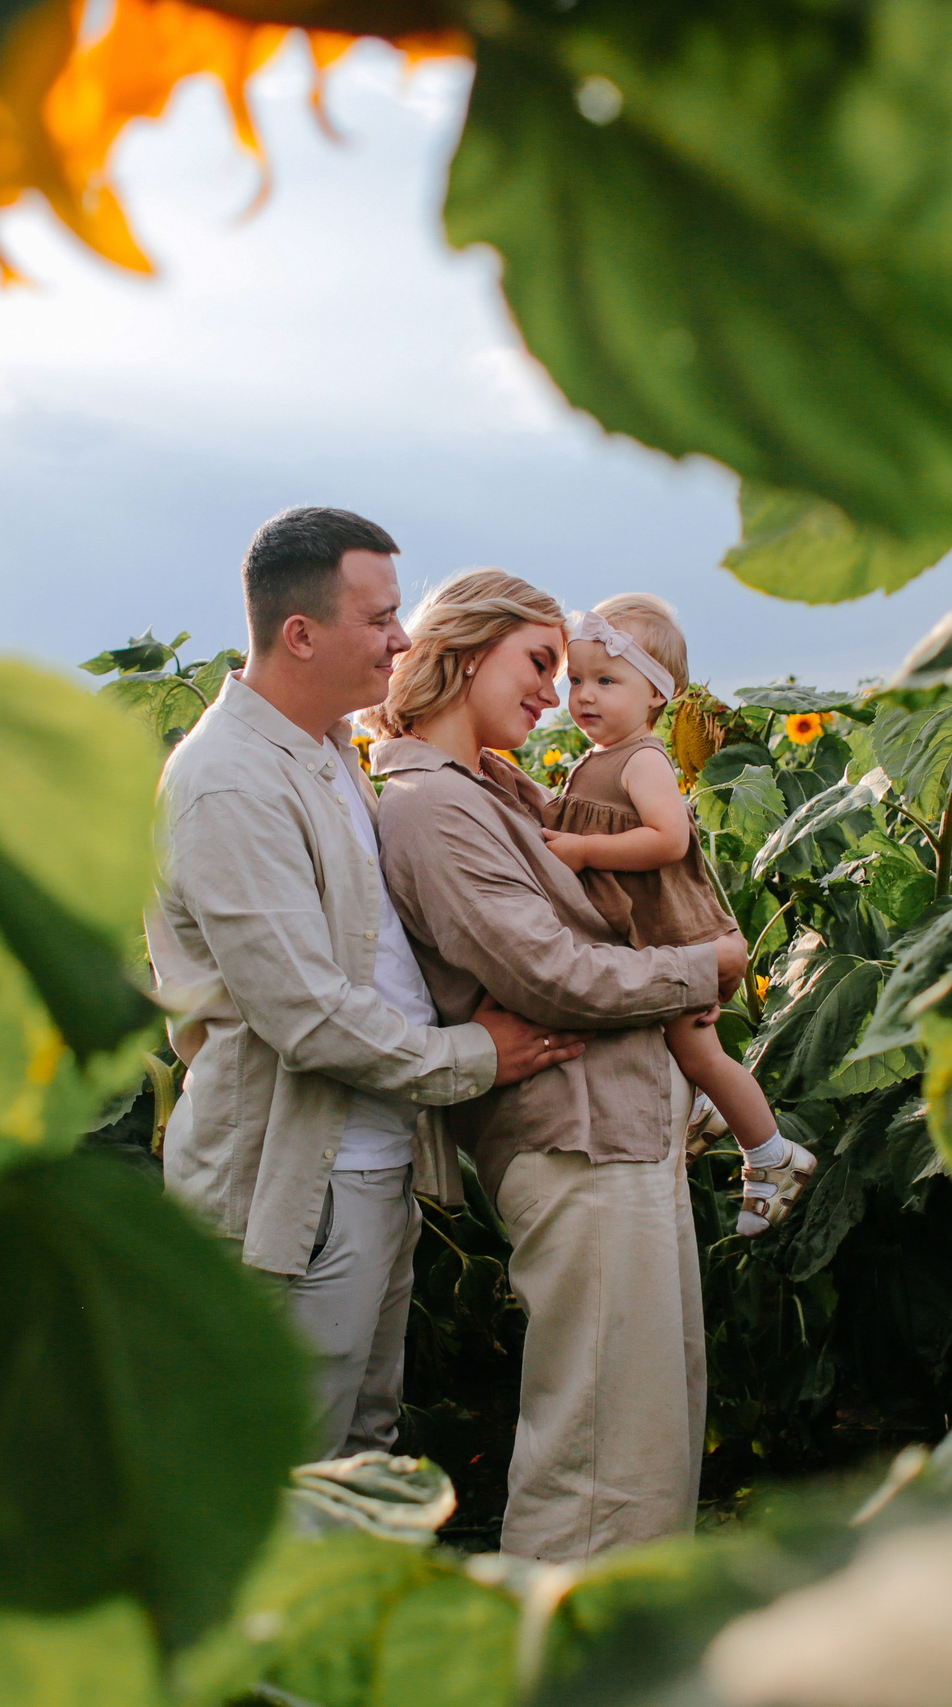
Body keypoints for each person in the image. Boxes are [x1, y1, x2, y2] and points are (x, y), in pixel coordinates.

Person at [147, 508, 584, 1462]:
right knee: (292, 1470)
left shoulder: (327, 748)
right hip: (291, 1189)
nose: (403, 639)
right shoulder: (229, 781)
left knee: (362, 1446)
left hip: (369, 1168)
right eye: (380, 618)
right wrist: (476, 1054)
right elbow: (305, 1014)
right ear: (301, 634)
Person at [367, 569, 749, 1562]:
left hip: (619, 1130)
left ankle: (625, 1632)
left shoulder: (492, 787)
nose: (555, 691)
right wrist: (702, 966)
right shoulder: (427, 807)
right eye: (539, 664)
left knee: (649, 1424)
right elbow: (549, 973)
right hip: (575, 1141)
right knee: (598, 1451)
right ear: (464, 652)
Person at [541, 594, 818, 1235]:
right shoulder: (595, 760)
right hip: (649, 941)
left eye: (607, 681)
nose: (585, 695)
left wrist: (583, 849)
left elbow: (668, 840)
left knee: (702, 1057)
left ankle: (772, 1156)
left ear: (656, 695)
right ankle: (703, 1114)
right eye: (576, 680)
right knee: (677, 1049)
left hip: (677, 936)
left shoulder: (642, 760)